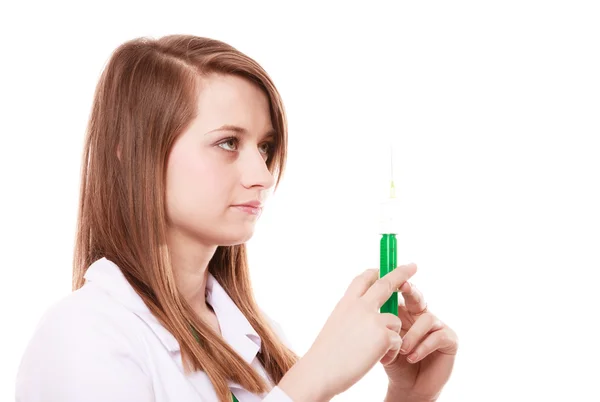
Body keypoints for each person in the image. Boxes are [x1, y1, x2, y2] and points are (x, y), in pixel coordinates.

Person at [15, 34, 458, 402]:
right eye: (228, 143)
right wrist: (311, 381)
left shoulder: (257, 340)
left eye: (264, 148)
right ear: (133, 154)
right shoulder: (80, 337)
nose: (263, 175)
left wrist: (409, 395)